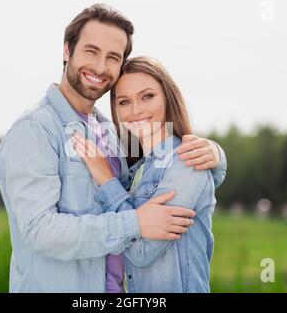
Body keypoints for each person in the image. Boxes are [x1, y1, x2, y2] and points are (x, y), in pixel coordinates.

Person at [0, 3, 227, 292]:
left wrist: (216, 156)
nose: (101, 67)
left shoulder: (112, 130)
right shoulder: (35, 129)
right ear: (67, 51)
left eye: (113, 57)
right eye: (91, 51)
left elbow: (163, 164)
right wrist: (134, 224)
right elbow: (39, 232)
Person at [72, 56, 219, 292]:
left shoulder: (186, 161)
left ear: (167, 97)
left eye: (147, 96)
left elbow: (141, 252)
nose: (136, 110)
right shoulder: (137, 170)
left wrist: (105, 179)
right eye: (124, 102)